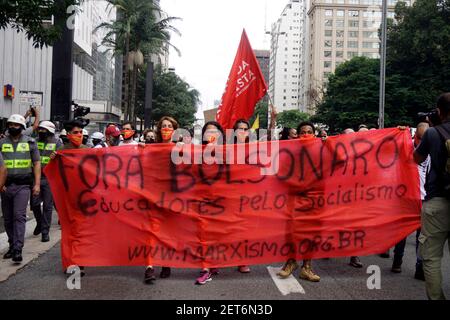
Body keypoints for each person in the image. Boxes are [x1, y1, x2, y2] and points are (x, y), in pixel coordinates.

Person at [414, 93, 450, 300]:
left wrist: (434, 127)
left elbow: (417, 158)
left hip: (437, 201)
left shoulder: (433, 133)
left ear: (439, 111)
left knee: (432, 258)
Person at [277, 121, 320, 282]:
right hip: (294, 198)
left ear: (314, 135)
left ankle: (307, 268)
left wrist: (329, 143)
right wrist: (297, 184)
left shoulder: (322, 152)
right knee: (292, 232)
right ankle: (290, 262)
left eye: (310, 131)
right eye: (303, 132)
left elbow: (341, 161)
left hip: (315, 200)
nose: (306, 134)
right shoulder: (289, 153)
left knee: (311, 233)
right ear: (298, 135)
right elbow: (281, 174)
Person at [389, 122, 431, 275]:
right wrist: (397, 133)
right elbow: (389, 148)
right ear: (416, 136)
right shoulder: (405, 146)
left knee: (423, 235)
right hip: (406, 197)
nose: (424, 141)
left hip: (425, 197)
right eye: (421, 137)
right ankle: (397, 260)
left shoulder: (432, 148)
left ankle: (419, 266)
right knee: (402, 232)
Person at [0, 114, 41, 263]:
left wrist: (36, 184)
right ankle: (12, 245)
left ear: (22, 127)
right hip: (5, 187)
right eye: (10, 124)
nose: (13, 127)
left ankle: (18, 249)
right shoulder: (1, 142)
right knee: (8, 219)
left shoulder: (30, 142)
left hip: (23, 186)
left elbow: (36, 163)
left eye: (16, 125)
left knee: (19, 216)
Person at [144, 116, 179, 284]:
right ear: (159, 129)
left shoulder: (180, 149)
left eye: (169, 126)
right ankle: (149, 266)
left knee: (167, 231)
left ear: (174, 130)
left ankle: (166, 262)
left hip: (171, 196)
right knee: (151, 230)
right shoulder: (150, 148)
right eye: (163, 126)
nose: (166, 129)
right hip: (152, 194)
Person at [193, 121, 225, 285]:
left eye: (215, 131)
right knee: (204, 233)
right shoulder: (195, 152)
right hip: (203, 199)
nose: (212, 134)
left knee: (218, 234)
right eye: (208, 131)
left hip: (224, 200)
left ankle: (214, 263)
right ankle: (205, 268)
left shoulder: (230, 152)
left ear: (221, 134)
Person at [30, 121, 62, 242]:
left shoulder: (57, 143)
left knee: (48, 206)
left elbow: (62, 159)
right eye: (40, 129)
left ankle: (45, 231)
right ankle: (39, 222)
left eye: (43, 129)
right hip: (36, 177)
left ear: (49, 130)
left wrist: (57, 156)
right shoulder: (34, 141)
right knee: (34, 204)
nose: (41, 131)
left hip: (50, 178)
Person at [341, 128, 363, 269]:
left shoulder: (361, 153)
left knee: (356, 225)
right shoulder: (334, 151)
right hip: (336, 196)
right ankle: (325, 249)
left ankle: (354, 255)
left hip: (356, 196)